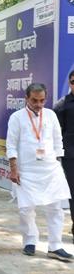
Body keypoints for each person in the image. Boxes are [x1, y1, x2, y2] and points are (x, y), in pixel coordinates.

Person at [7, 83, 73, 261]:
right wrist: (14, 169)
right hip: (26, 170)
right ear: (26, 98)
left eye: (42, 100)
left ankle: (55, 246)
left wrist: (57, 164)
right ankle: (30, 240)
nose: (38, 104)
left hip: (50, 169)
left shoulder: (51, 115)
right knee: (26, 209)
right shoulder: (17, 117)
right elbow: (11, 145)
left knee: (56, 208)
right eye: (34, 100)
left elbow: (58, 140)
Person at [53, 67, 74, 243]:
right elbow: (54, 131)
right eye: (73, 82)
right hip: (71, 156)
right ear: (70, 83)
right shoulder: (62, 105)